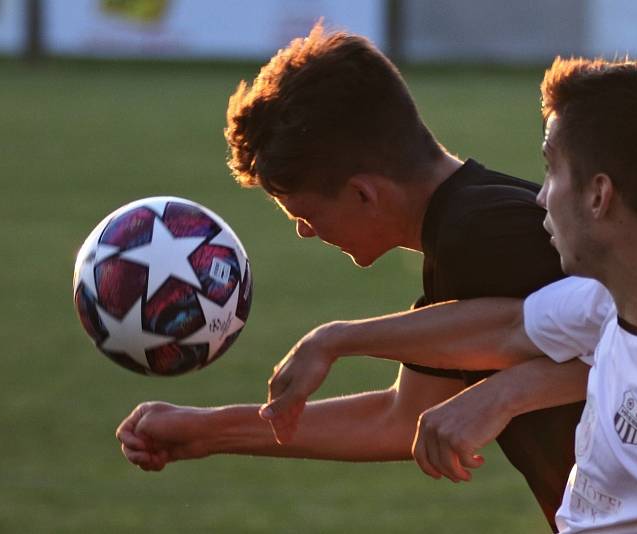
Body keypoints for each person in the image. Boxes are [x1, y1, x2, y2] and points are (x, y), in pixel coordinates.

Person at [265, 57, 637, 532]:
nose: (539, 197)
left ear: (599, 196)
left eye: (551, 170)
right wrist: (335, 340)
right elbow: (511, 329)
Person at [115, 23, 589, 530]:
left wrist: (338, 340)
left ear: (364, 194)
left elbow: (631, 334)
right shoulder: (463, 234)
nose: (303, 231)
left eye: (302, 211)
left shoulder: (482, 232)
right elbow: (398, 419)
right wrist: (205, 432)